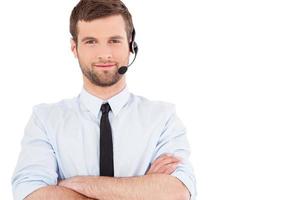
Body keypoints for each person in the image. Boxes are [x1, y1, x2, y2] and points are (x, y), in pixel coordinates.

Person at [11, 0, 197, 199]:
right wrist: (140, 190)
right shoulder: (45, 120)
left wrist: (74, 185)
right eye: (91, 41)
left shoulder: (163, 118)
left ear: (131, 46)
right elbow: (30, 194)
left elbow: (176, 192)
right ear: (74, 48)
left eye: (114, 41)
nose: (104, 54)